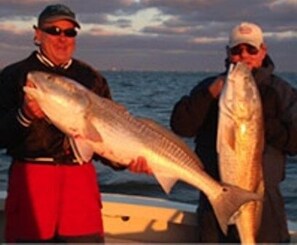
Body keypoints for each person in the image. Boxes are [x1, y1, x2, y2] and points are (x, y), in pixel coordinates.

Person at [0, 4, 150, 243]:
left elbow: (105, 137)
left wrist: (126, 160)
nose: (62, 38)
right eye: (54, 30)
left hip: (80, 188)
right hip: (32, 185)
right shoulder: (14, 75)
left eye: (70, 33)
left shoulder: (91, 78)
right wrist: (24, 115)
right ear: (37, 34)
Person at [170, 22, 297, 243]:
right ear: (228, 53)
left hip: (263, 199)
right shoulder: (210, 87)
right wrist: (208, 96)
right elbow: (181, 126)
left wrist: (262, 121)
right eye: (237, 50)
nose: (244, 56)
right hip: (215, 198)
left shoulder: (281, 92)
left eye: (251, 49)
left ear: (263, 51)